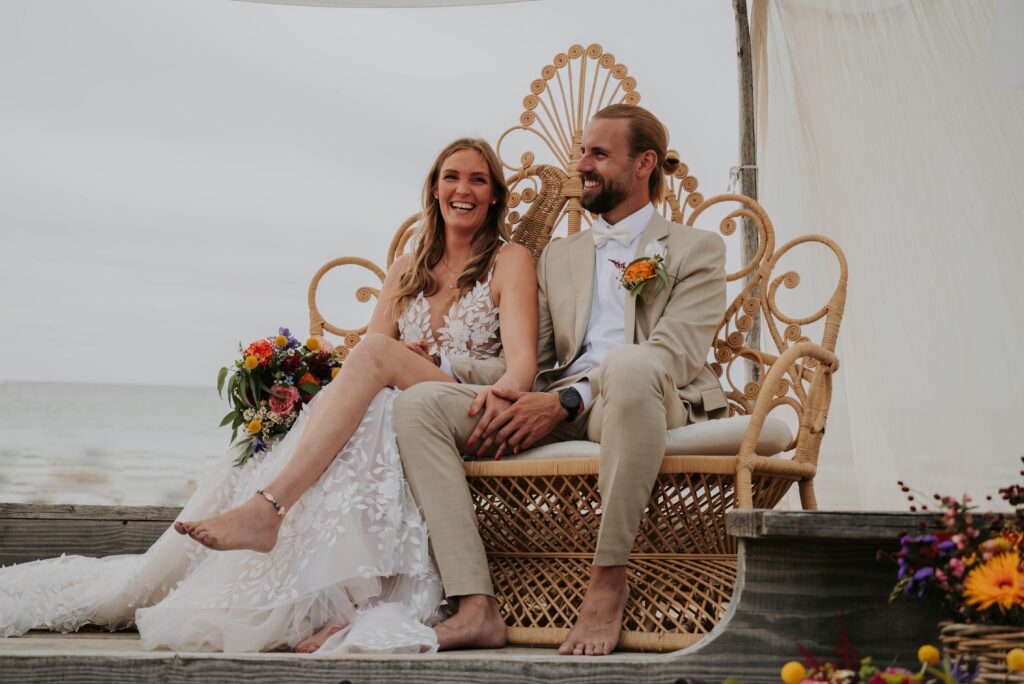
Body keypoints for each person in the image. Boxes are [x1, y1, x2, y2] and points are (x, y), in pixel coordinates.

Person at [0, 138, 538, 655]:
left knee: (374, 362)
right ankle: (343, 601)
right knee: (362, 408)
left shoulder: (508, 260)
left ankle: (268, 511)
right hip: (404, 402)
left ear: (493, 195)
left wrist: (431, 365)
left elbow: (521, 370)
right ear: (434, 189)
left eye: (477, 179)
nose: (462, 188)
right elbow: (376, 358)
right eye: (451, 176)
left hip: (468, 402)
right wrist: (406, 355)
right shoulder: (406, 270)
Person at [393, 104, 729, 656]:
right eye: (581, 152)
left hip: (651, 398)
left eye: (598, 153)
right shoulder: (558, 257)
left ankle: (608, 577)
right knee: (421, 405)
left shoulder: (697, 249)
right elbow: (536, 363)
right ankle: (476, 603)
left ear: (644, 163)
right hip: (561, 403)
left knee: (630, 363)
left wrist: (567, 399)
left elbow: (674, 354)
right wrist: (445, 365)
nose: (583, 165)